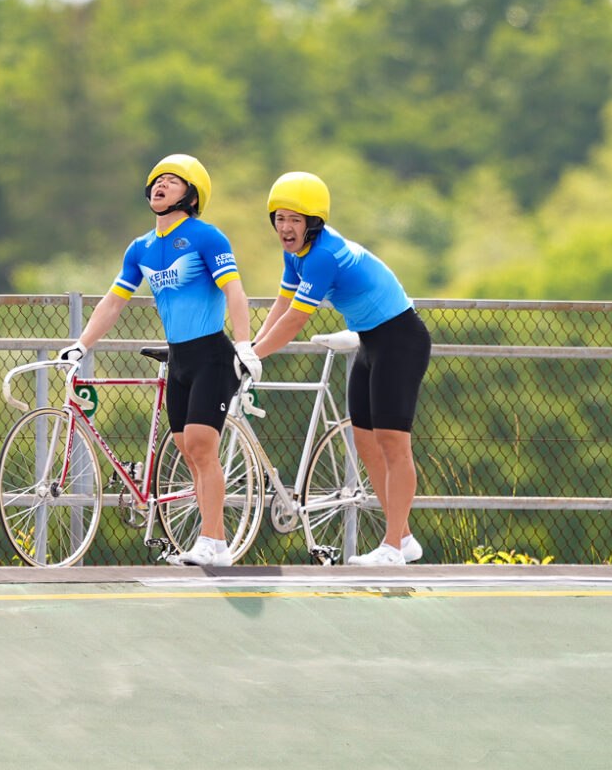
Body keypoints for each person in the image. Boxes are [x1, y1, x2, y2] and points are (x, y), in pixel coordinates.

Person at [59, 154, 261, 567]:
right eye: (157, 180)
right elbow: (114, 302)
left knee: (202, 446)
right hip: (178, 359)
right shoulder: (141, 248)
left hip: (212, 355)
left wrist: (244, 345)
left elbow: (234, 292)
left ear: (191, 196)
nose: (160, 185)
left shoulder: (206, 238)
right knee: (188, 451)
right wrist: (81, 345)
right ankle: (214, 544)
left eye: (172, 180)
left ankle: (212, 542)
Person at [250, 171, 431, 565]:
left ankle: (392, 548)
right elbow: (282, 304)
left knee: (393, 443)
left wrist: (256, 355)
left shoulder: (322, 255)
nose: (285, 228)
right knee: (364, 441)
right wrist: (250, 348)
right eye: (279, 219)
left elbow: (297, 320)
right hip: (369, 340)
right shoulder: (295, 254)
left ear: (313, 223)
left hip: (400, 339)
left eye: (294, 220)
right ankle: (403, 538)